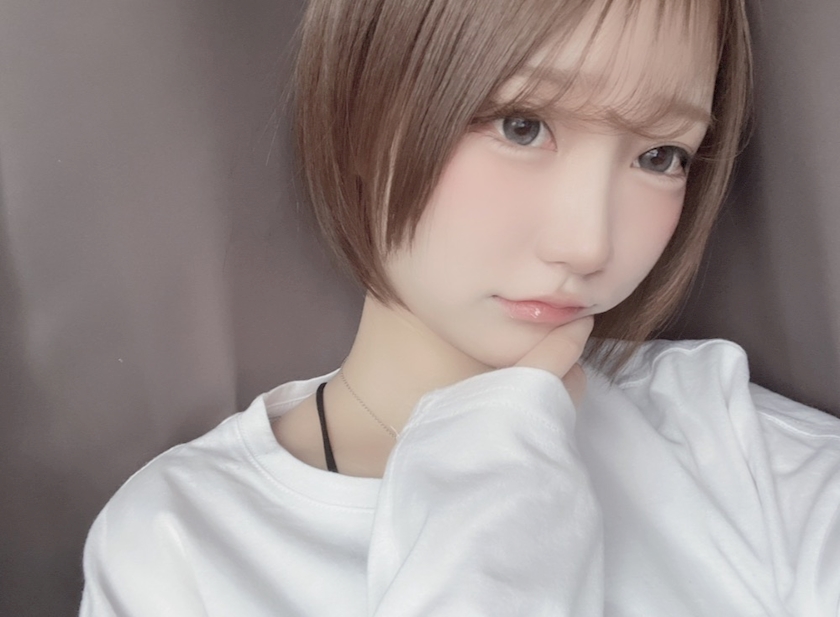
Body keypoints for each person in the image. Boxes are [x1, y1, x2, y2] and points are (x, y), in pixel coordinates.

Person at [80, 0, 840, 615]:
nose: (587, 243)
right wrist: (491, 479)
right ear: (362, 105)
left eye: (659, 156)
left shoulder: (739, 448)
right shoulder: (181, 546)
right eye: (522, 126)